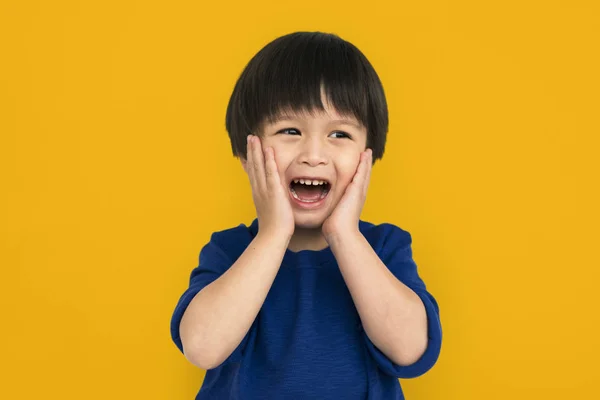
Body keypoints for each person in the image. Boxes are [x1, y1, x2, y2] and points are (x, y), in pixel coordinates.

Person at [170, 31, 442, 399]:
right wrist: (273, 234)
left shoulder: (383, 247)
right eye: (290, 130)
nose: (313, 154)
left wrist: (345, 235)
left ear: (368, 156)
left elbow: (410, 349)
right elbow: (201, 346)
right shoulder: (231, 250)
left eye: (340, 134)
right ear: (247, 154)